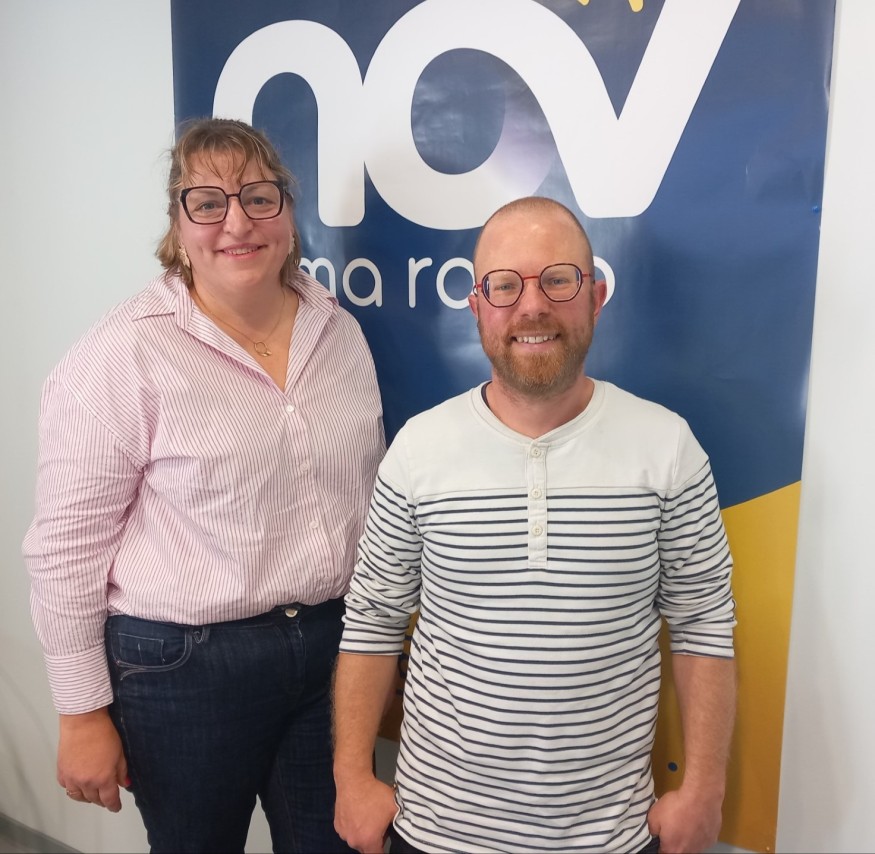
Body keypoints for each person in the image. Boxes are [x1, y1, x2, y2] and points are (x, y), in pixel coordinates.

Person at [23, 117, 385, 853]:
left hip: (331, 649)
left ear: (287, 211)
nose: (237, 223)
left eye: (259, 197)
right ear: (177, 224)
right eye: (208, 203)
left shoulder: (338, 330)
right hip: (184, 669)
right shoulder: (122, 354)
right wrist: (81, 712)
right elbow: (65, 549)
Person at [332, 196, 736, 854]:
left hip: (608, 838)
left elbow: (703, 625)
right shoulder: (418, 451)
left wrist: (705, 790)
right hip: (434, 834)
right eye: (504, 285)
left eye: (557, 280)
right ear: (476, 305)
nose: (532, 307)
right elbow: (373, 620)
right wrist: (351, 778)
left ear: (595, 296)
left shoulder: (668, 450)